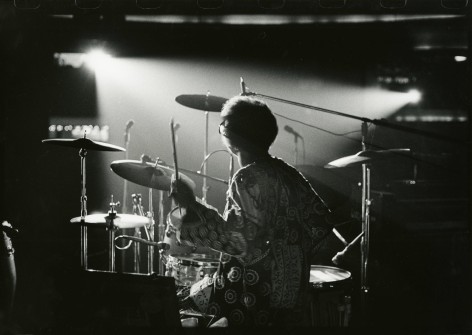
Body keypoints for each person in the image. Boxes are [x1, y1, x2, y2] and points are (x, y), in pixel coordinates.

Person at [170, 96, 333, 328]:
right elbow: (322, 226)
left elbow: (238, 241)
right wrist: (289, 258)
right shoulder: (289, 173)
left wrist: (190, 206)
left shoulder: (246, 178)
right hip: (291, 296)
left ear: (230, 137)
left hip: (250, 297)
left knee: (178, 307)